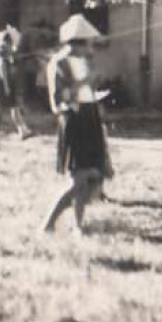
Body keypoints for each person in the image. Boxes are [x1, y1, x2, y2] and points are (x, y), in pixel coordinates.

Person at [43, 14, 113, 236]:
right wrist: (85, 82)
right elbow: (58, 98)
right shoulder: (59, 63)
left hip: (89, 115)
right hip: (73, 119)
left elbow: (86, 92)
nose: (90, 49)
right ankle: (48, 223)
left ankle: (78, 225)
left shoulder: (84, 61)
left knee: (90, 177)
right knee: (77, 179)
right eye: (88, 44)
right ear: (76, 43)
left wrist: (95, 92)